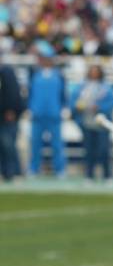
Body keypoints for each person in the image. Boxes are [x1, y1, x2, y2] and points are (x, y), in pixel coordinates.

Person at [71, 63, 113, 180]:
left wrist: (100, 107)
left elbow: (112, 102)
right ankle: (89, 175)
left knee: (103, 150)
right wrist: (78, 107)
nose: (94, 73)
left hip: (102, 123)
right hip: (87, 121)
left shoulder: (106, 87)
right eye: (92, 71)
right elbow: (74, 101)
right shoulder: (82, 86)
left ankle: (107, 175)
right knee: (89, 150)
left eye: (96, 71)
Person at [27, 42, 66, 177]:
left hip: (54, 114)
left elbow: (63, 95)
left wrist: (62, 109)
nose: (45, 60)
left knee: (57, 144)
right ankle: (33, 168)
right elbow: (30, 93)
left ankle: (59, 169)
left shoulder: (59, 75)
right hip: (38, 113)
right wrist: (31, 108)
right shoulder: (34, 74)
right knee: (35, 143)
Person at [0, 58, 23, 181]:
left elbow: (13, 92)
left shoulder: (6, 71)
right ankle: (5, 172)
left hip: (7, 115)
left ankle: (14, 172)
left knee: (8, 144)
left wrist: (11, 110)